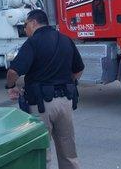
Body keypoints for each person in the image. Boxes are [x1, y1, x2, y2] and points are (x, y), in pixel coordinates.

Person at [6, 9, 85, 169]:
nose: (25, 28)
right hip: (65, 103)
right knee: (68, 152)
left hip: (41, 105)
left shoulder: (32, 43)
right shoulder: (65, 40)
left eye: (26, 24)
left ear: (34, 23)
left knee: (42, 153)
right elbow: (78, 70)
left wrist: (11, 86)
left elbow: (13, 71)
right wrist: (65, 82)